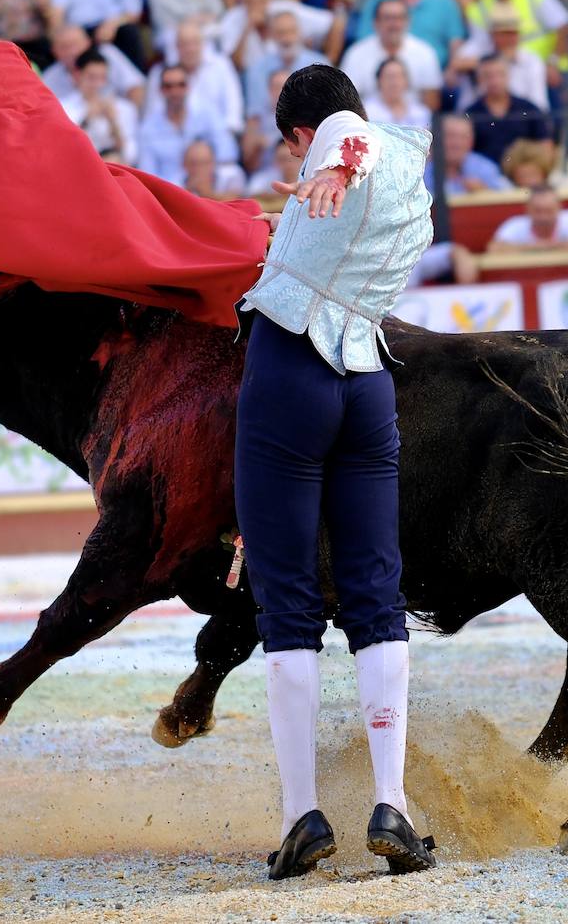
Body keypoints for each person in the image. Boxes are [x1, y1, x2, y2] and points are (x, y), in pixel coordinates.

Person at [234, 63, 437, 882]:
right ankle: (392, 802)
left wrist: (328, 162)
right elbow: (362, 132)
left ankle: (300, 817)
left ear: (295, 133)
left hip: (291, 376)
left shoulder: (341, 146)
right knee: (375, 594)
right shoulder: (409, 161)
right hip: (367, 383)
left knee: (286, 604)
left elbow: (345, 133)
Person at [464, 0, 568, 97]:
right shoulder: (479, 7)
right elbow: (479, 47)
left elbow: (563, 28)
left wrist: (553, 63)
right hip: (505, 70)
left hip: (547, 67)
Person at [219, 0, 338, 73]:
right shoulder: (232, 19)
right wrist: (247, 28)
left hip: (291, 74)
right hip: (251, 78)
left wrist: (330, 58)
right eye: (250, 1)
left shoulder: (284, 9)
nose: (257, 5)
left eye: (262, 0)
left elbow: (336, 22)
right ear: (242, 0)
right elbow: (234, 65)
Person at [137, 64, 239, 184]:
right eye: (168, 86)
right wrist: (183, 185)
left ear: (189, 87)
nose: (175, 91)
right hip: (170, 192)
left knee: (234, 173)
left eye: (181, 85)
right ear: (160, 90)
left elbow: (227, 153)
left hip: (211, 184)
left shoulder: (208, 114)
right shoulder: (148, 128)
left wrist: (203, 175)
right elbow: (148, 175)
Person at [340, 0, 442, 108]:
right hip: (369, 122)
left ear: (408, 22)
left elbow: (431, 104)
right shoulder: (356, 54)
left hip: (414, 122)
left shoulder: (425, 53)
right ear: (376, 23)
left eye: (399, 18)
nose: (394, 24)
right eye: (387, 18)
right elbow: (348, 103)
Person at [450, 0, 549, 113]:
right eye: (503, 33)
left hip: (519, 117)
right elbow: (453, 70)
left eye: (513, 33)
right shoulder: (477, 48)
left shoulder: (531, 60)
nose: (509, 38)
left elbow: (539, 103)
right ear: (492, 34)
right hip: (477, 116)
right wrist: (492, 61)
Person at [148, 21, 245, 135]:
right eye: (184, 44)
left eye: (194, 43)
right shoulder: (161, 73)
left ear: (203, 44)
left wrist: (224, 137)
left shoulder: (221, 66)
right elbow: (153, 113)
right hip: (173, 139)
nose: (190, 49)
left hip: (218, 136)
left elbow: (233, 109)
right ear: (176, 47)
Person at [353, 0, 464, 69]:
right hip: (381, 76)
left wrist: (452, 72)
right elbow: (363, 43)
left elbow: (456, 43)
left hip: (435, 77)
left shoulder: (445, 3)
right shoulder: (376, 1)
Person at [463, 54, 552, 167]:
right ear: (479, 79)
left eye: (500, 74)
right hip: (484, 178)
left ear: (509, 75)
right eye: (488, 76)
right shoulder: (469, 114)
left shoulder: (529, 108)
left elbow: (545, 146)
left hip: (523, 174)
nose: (495, 81)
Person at [242, 10, 328, 127]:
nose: (287, 39)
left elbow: (327, 107)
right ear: (271, 36)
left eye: (291, 32)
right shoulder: (257, 69)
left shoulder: (321, 66)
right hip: (270, 135)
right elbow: (254, 115)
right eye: (281, 33)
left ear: (300, 33)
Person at [49, 0, 147, 71]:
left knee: (129, 32)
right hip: (81, 28)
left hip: (116, 26)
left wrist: (112, 25)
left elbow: (134, 13)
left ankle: (138, 78)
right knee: (66, 43)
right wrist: (58, 33)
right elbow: (58, 8)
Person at [60, 49, 139, 164]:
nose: (98, 84)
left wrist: (112, 121)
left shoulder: (124, 108)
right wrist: (86, 120)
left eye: (102, 78)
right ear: (77, 75)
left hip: (115, 171)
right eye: (91, 77)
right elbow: (64, 151)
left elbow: (130, 155)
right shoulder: (63, 107)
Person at [42, 23, 145, 109]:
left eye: (75, 44)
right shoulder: (49, 78)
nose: (72, 52)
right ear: (54, 51)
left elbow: (135, 88)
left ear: (88, 43)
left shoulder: (108, 55)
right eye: (65, 47)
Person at [423, 112, 512, 195]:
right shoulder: (421, 169)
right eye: (450, 136)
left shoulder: (484, 168)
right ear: (435, 139)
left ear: (471, 142)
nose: (457, 143)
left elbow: (510, 195)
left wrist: (486, 191)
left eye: (463, 137)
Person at [486, 183, 568, 252]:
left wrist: (527, 248)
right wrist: (552, 246)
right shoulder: (514, 224)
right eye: (538, 210)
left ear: (560, 208)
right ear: (527, 209)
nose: (543, 217)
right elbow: (493, 249)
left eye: (549, 210)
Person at [144, 0, 225, 54]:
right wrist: (192, 22)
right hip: (180, 39)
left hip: (214, 30)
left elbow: (218, 11)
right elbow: (166, 29)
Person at [362, 57, 431, 129]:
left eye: (399, 77)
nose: (394, 83)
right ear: (379, 81)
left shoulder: (421, 112)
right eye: (389, 77)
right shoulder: (366, 112)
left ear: (406, 81)